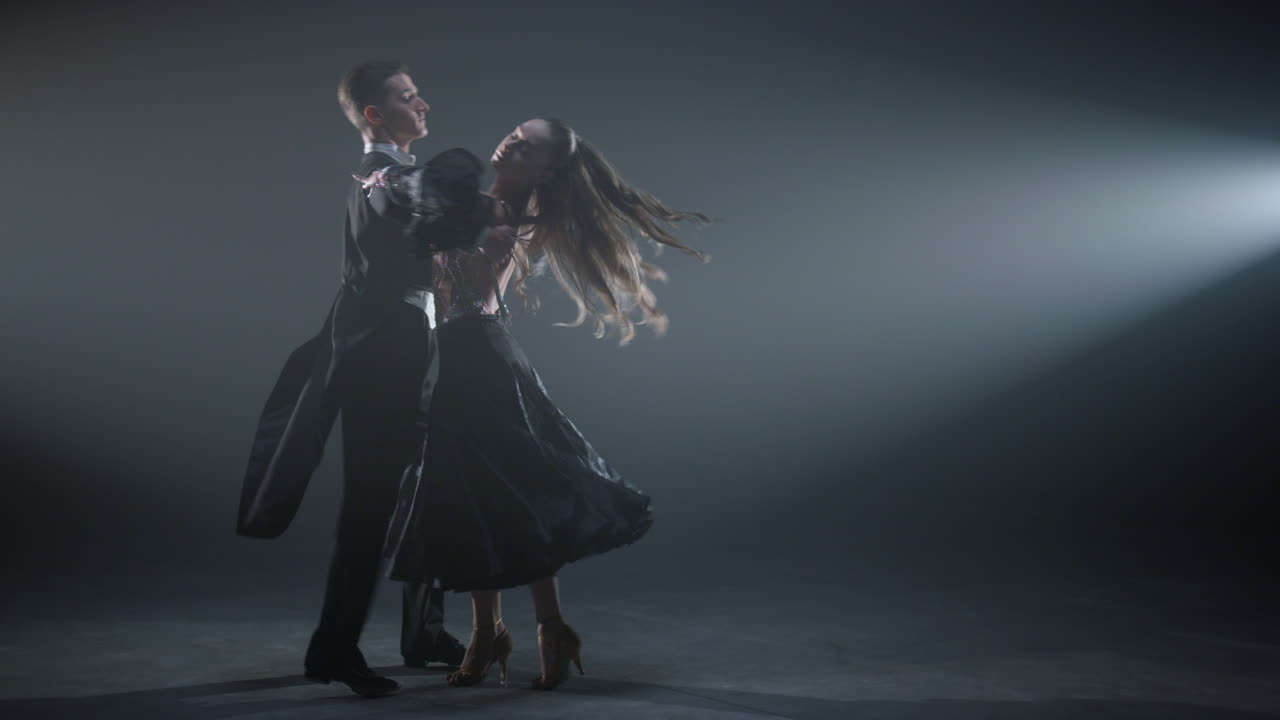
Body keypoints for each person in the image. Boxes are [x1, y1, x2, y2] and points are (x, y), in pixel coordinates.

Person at [380, 117, 712, 690]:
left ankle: (548, 630)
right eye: (512, 133)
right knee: (475, 499)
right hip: (454, 359)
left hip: (482, 357)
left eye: (525, 145)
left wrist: (394, 187)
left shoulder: (520, 216)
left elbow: (446, 233)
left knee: (521, 494)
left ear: (546, 170)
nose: (509, 141)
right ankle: (490, 634)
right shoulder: (479, 203)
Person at [236, 60, 515, 698]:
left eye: (419, 94)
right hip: (381, 357)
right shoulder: (380, 171)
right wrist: (478, 205)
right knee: (372, 503)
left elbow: (431, 220)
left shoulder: (390, 173)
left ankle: (420, 635)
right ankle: (334, 647)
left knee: (426, 487)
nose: (422, 105)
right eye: (407, 97)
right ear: (374, 114)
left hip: (410, 348)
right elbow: (412, 195)